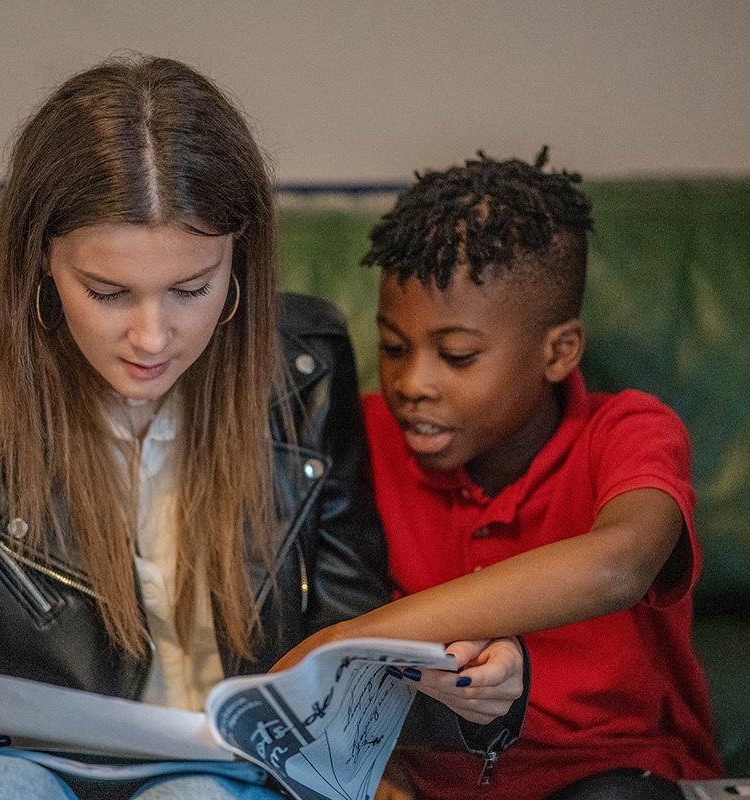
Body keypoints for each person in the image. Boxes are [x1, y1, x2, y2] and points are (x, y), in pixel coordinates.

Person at [0, 57, 524, 800]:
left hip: (229, 775)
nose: (151, 338)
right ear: (41, 259)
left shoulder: (305, 367)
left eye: (191, 290)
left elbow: (347, 650)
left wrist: (476, 698)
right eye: (108, 293)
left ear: (241, 256)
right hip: (3, 764)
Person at [274, 150, 724, 800]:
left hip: (611, 773)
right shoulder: (360, 435)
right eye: (393, 348)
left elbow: (618, 565)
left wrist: (351, 640)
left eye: (457, 356)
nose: (412, 385)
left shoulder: (628, 432)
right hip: (426, 780)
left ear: (558, 352)